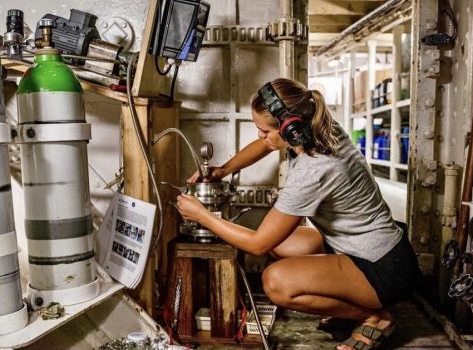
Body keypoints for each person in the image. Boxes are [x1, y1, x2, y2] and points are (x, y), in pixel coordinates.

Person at [176, 78, 421, 350]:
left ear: (289, 128)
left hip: (382, 268)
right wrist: (223, 170)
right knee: (280, 244)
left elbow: (259, 244)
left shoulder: (314, 169)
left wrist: (202, 215)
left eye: (263, 130)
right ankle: (349, 305)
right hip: (363, 246)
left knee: (275, 282)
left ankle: (374, 317)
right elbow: (268, 144)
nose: (259, 135)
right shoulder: (318, 127)